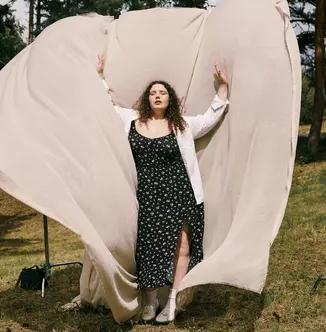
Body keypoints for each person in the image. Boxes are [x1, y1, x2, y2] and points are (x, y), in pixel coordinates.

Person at [96, 54, 229, 323]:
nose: (158, 96)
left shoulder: (183, 124)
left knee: (181, 247)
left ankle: (171, 302)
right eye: (153, 92)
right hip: (144, 194)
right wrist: (99, 76)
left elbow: (210, 117)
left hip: (180, 192)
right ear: (147, 98)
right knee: (146, 246)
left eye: (163, 92)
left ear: (170, 99)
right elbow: (105, 106)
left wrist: (223, 88)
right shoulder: (130, 120)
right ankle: (149, 301)